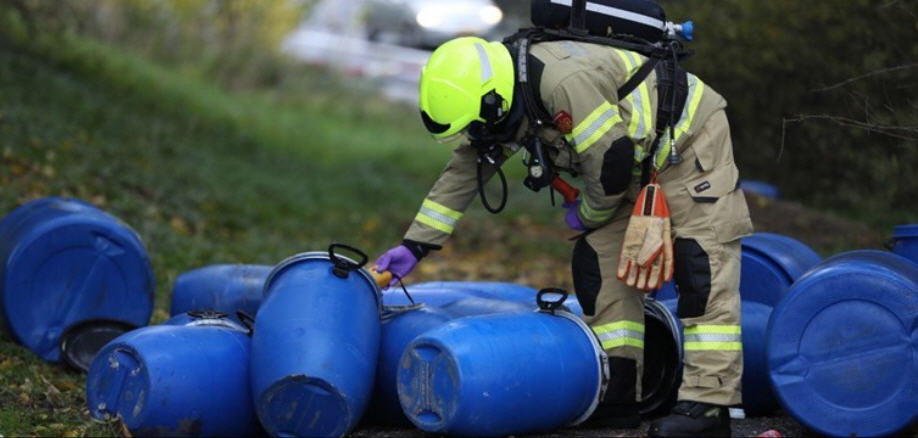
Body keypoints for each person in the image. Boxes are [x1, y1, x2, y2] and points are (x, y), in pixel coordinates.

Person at [374, 35, 753, 437]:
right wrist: (414, 246)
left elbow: (611, 160)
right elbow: (464, 172)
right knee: (600, 261)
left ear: (494, 100)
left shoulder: (561, 81)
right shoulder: (505, 101)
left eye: (477, 125)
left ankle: (707, 406)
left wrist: (588, 213)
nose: (478, 134)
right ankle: (619, 392)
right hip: (631, 164)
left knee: (701, 268)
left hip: (687, 143)